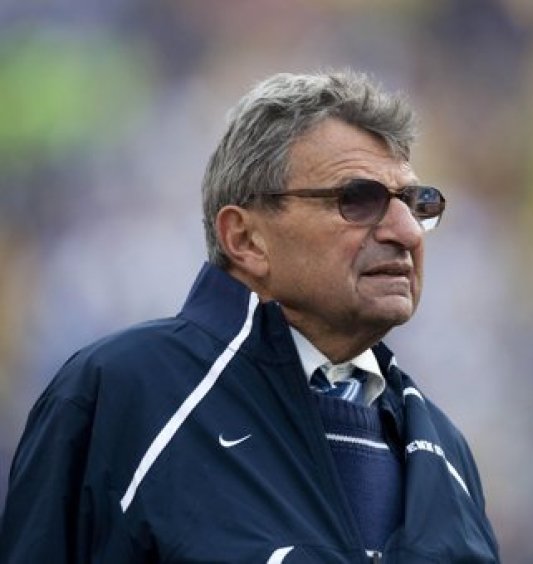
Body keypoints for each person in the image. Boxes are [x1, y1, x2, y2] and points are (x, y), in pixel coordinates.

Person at [0, 70, 500, 563]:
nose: (405, 230)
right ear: (244, 239)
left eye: (418, 202)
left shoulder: (443, 448)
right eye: (357, 200)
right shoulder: (125, 393)